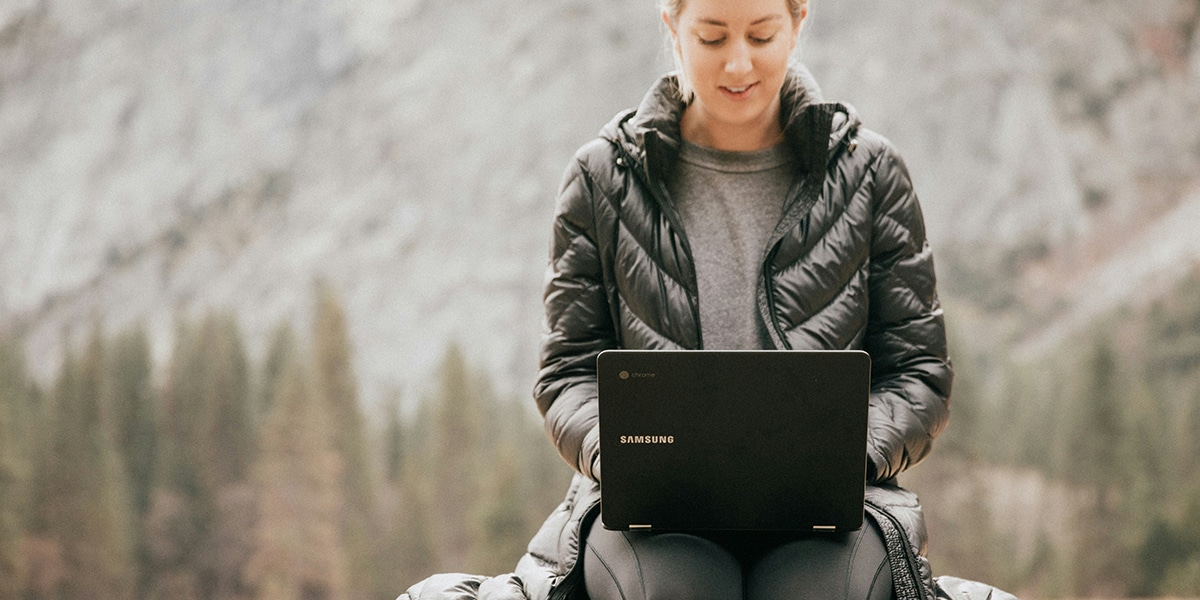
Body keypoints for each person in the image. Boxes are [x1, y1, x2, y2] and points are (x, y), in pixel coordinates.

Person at [522, 0, 953, 598]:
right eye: (713, 37)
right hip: (654, 517)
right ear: (672, 27)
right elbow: (567, 371)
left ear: (799, 23)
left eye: (761, 34)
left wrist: (836, 457)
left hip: (833, 513)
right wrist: (627, 457)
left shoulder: (871, 173)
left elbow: (918, 373)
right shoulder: (602, 177)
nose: (738, 63)